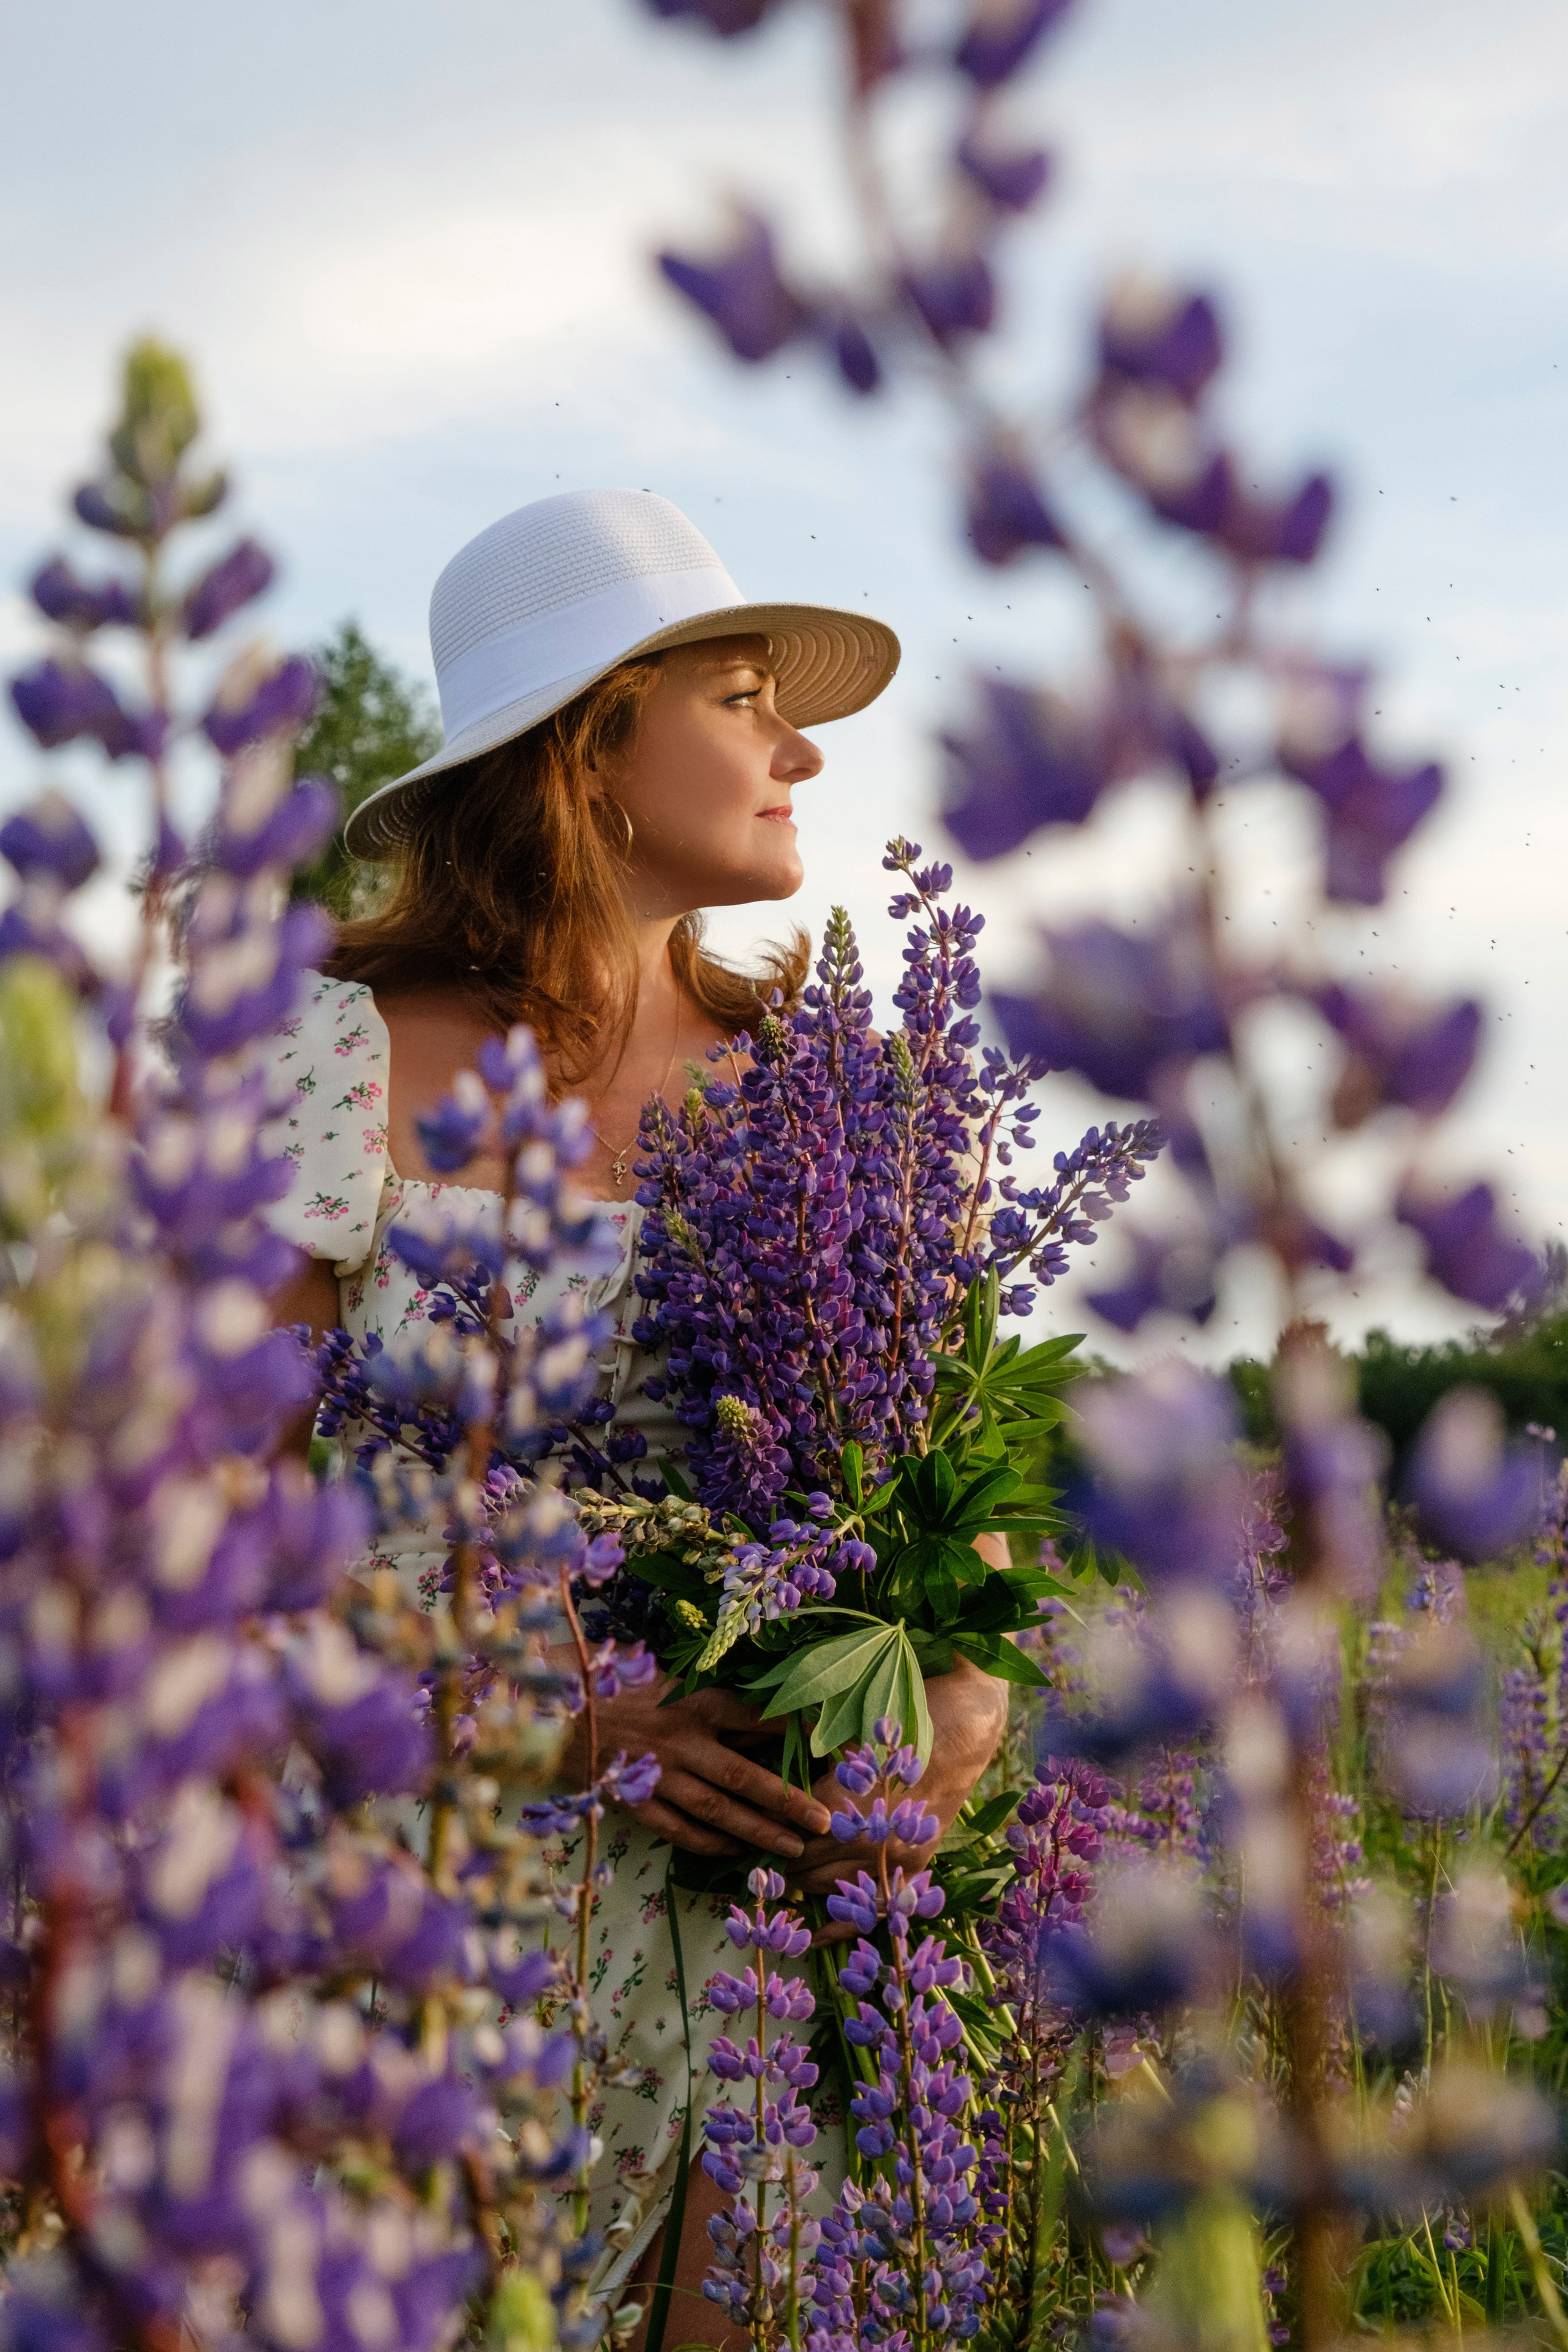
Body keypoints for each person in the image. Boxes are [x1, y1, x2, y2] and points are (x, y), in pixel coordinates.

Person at [263, 489, 1009, 2344]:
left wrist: (947, 1737)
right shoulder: (323, 1061)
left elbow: (964, 1546)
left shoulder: (837, 1106)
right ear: (593, 748)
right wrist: (556, 1722)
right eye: (744, 696)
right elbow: (189, 1538)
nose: (801, 744)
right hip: (434, 1914)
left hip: (782, 1935)